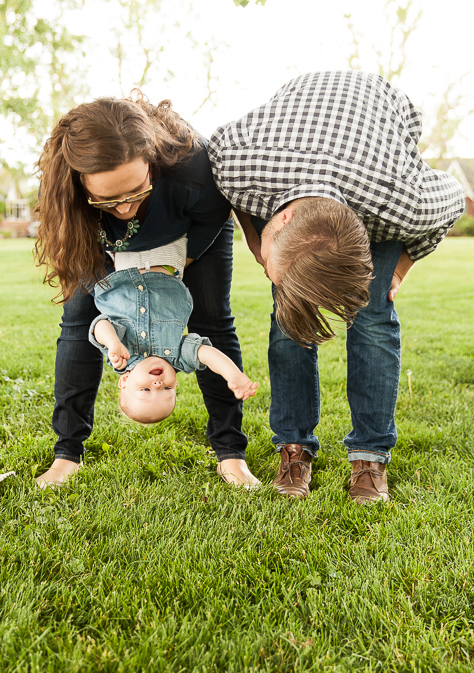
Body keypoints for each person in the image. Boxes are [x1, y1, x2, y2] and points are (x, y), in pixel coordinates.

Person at [208, 70, 465, 505]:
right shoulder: (238, 161)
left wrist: (400, 269)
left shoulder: (401, 202)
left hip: (376, 152)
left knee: (372, 317)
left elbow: (453, 200)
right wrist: (257, 243)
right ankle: (294, 446)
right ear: (283, 218)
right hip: (300, 139)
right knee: (289, 315)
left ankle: (370, 455)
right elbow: (219, 169)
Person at [34, 93, 259, 488]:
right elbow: (79, 258)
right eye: (109, 199)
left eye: (136, 191)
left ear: (151, 161)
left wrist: (181, 265)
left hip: (188, 239)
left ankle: (231, 453)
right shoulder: (66, 196)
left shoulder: (192, 165)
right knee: (77, 321)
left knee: (212, 319)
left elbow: (213, 216)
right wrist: (108, 288)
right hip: (102, 249)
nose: (125, 209)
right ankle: (67, 453)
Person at [88, 237, 258, 423]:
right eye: (167, 389)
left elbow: (100, 325)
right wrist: (232, 375)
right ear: (176, 384)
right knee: (163, 220)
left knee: (99, 236)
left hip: (117, 273)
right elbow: (208, 354)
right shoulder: (179, 357)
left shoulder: (121, 357)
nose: (158, 384)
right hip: (166, 261)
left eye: (146, 390)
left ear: (124, 381)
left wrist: (112, 341)